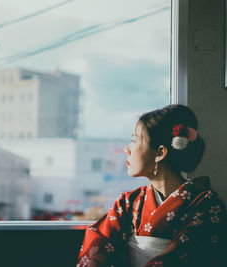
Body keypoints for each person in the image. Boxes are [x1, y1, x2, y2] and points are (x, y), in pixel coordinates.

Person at [76, 104, 226, 267]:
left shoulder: (207, 207)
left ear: (160, 153)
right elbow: (98, 242)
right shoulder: (128, 203)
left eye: (134, 140)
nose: (127, 149)